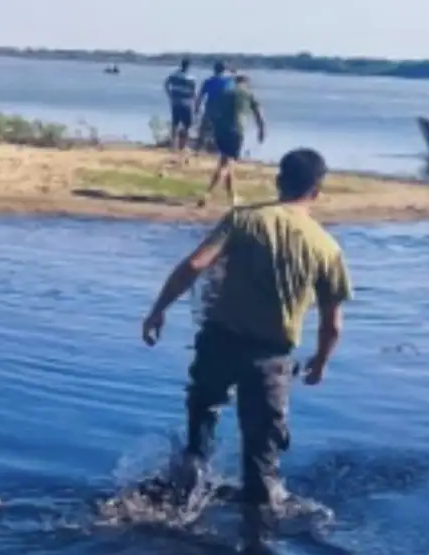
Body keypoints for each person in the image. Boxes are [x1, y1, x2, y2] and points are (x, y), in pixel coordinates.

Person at [141, 147, 353, 550]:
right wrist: (321, 363)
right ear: (317, 190)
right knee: (261, 461)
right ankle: (257, 540)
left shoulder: (244, 220)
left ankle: (184, 493)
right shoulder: (326, 247)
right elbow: (332, 323)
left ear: (278, 181)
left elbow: (195, 265)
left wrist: (158, 310)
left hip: (219, 340)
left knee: (203, 410)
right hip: (271, 359)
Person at [196, 74, 265, 208]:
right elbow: (259, 114)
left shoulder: (224, 93)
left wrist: (203, 131)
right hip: (236, 130)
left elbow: (210, 110)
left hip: (220, 129)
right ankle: (208, 193)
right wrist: (261, 130)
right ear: (246, 83)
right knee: (226, 164)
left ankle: (233, 197)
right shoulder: (248, 94)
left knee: (226, 161)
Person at [193, 61, 234, 154]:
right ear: (223, 70)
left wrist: (196, 108)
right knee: (218, 131)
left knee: (203, 129)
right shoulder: (228, 81)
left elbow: (200, 96)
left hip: (210, 107)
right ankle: (217, 150)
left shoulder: (208, 81)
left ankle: (199, 148)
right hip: (222, 109)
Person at [163, 58, 198, 157]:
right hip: (186, 103)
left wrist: (170, 94)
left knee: (175, 123)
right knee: (187, 125)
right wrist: (196, 104)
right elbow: (194, 92)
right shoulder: (191, 78)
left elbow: (166, 83)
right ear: (188, 66)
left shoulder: (174, 75)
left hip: (175, 102)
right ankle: (183, 146)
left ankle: (173, 145)